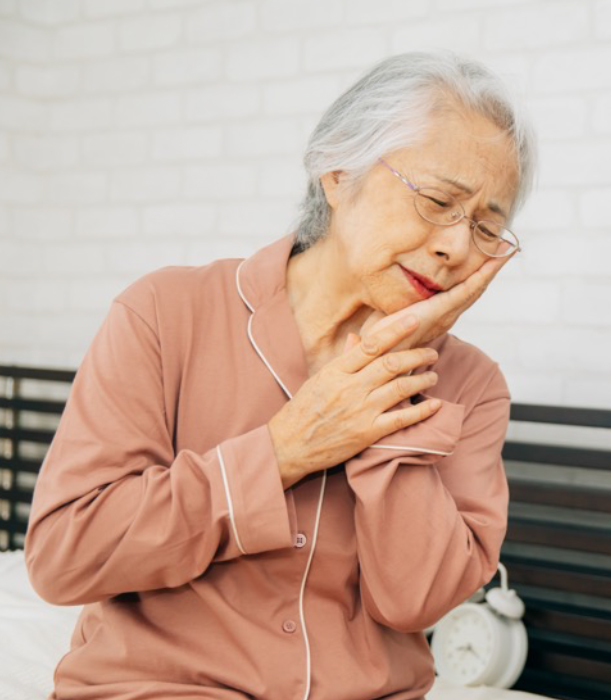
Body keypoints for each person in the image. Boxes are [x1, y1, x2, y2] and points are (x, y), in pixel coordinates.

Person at [24, 51, 535, 699]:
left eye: (489, 228)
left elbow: (419, 604)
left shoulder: (474, 386)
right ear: (337, 170)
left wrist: (392, 381)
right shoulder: (163, 313)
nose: (458, 248)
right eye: (438, 201)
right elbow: (65, 554)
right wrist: (279, 453)